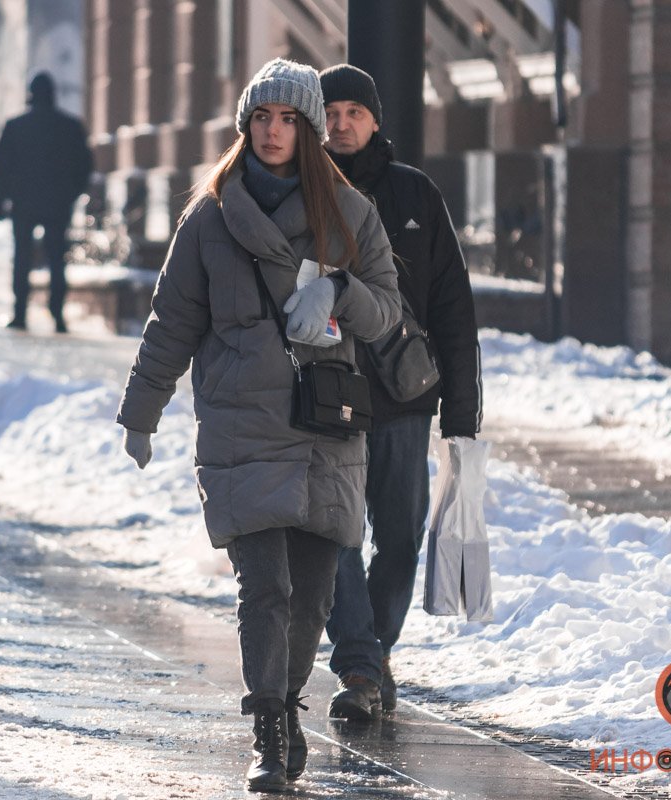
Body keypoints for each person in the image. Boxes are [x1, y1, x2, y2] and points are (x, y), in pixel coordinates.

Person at [117, 58, 400, 792]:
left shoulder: (349, 214)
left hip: (324, 424)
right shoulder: (211, 215)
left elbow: (389, 312)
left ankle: (287, 706)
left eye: (289, 120)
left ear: (309, 130)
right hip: (241, 423)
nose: (273, 132)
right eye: (262, 119)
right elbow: (172, 322)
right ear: (246, 127)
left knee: (311, 595)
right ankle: (269, 730)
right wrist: (142, 411)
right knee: (264, 587)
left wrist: (339, 288)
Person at [318, 64, 482, 721]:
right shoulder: (302, 193)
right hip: (326, 399)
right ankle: (359, 662)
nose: (341, 123)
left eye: (355, 111)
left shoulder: (416, 196)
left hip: (404, 401)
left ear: (377, 119)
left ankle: (373, 652)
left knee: (400, 536)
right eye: (330, 113)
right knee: (335, 534)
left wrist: (462, 414)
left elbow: (454, 311)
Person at [0, 72, 92, 333]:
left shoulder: (15, 126)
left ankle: (20, 313)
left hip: (23, 203)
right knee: (57, 259)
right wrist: (72, 193)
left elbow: (1, 167)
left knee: (22, 259)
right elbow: (84, 165)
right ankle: (57, 315)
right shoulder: (70, 126)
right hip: (57, 204)